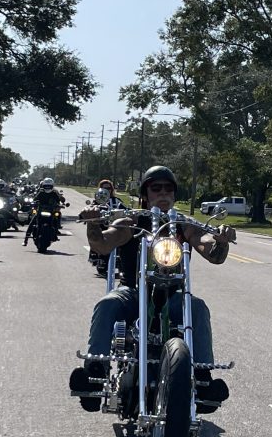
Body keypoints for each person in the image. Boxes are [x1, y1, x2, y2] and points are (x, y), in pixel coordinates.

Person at [72, 165, 236, 412]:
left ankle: (202, 378)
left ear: (175, 194)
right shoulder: (132, 221)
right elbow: (103, 244)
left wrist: (221, 241)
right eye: (155, 188)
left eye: (168, 189)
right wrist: (93, 223)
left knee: (198, 307)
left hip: (173, 297)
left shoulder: (184, 225)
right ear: (145, 194)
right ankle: (95, 373)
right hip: (133, 291)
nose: (163, 193)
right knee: (107, 303)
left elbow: (210, 250)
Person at [22, 177, 67, 246]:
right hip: (41, 210)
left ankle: (55, 233)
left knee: (56, 219)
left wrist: (60, 205)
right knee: (32, 222)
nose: (48, 187)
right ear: (43, 186)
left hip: (51, 211)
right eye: (46, 186)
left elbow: (58, 201)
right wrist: (32, 203)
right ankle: (26, 239)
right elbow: (35, 199)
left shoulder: (54, 193)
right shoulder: (41, 192)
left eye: (49, 186)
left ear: (52, 186)